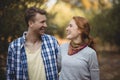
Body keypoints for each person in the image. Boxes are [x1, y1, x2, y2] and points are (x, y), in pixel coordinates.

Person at [6, 7, 59, 80]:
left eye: (45, 22)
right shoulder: (14, 47)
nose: (45, 25)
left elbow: (61, 67)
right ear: (31, 23)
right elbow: (10, 76)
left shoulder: (52, 41)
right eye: (42, 22)